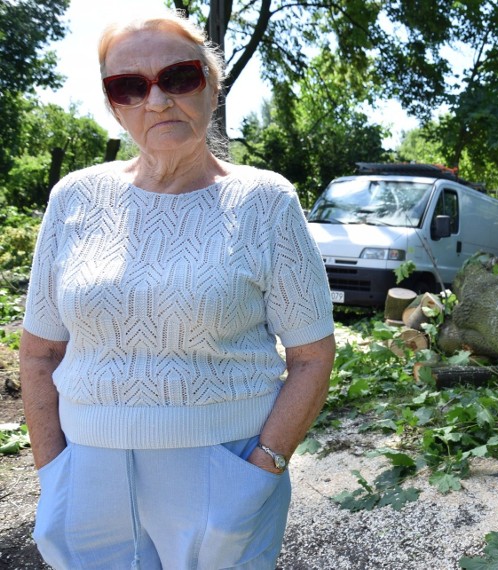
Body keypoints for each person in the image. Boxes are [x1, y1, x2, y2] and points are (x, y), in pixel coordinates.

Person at [19, 7, 336, 569]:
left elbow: (312, 356)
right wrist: (53, 470)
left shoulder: (266, 201)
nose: (157, 100)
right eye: (129, 87)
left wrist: (262, 467)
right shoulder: (74, 198)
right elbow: (41, 349)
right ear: (113, 103)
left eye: (179, 77)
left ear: (212, 83)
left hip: (226, 467)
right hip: (87, 474)